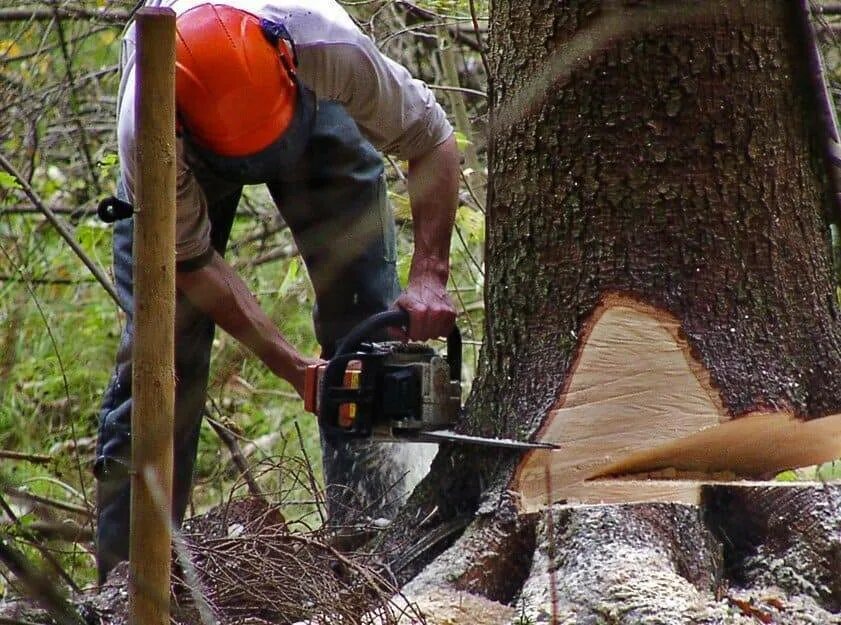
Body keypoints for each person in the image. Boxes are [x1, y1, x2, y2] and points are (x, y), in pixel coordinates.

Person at [94, 0, 459, 581]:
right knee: (162, 358)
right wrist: (290, 366)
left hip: (307, 105)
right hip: (184, 143)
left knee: (369, 320)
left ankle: (378, 554)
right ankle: (128, 586)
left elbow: (432, 139)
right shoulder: (149, 123)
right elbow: (190, 263)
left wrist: (430, 276)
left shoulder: (326, 44)